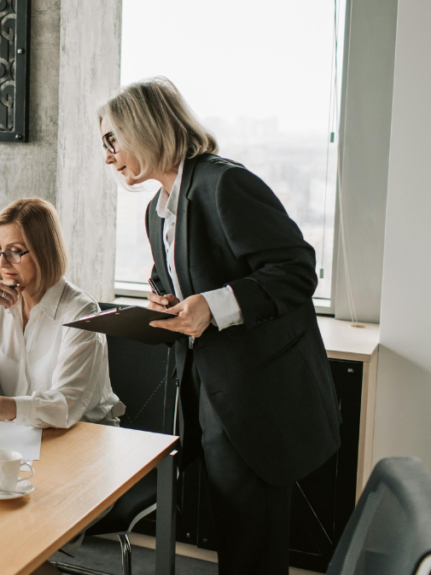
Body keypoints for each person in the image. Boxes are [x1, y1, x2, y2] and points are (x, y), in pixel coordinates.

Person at [98, 77, 340, 574]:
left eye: (111, 140)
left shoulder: (224, 182)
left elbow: (296, 271)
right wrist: (161, 296)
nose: (108, 156)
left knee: (253, 543)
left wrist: (212, 305)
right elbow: (182, 268)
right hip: (207, 392)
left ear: (143, 128)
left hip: (256, 397)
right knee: (235, 531)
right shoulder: (155, 210)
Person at [0, 198, 122, 428]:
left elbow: (65, 404)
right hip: (18, 434)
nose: (3, 263)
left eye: (15, 251)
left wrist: (0, 406)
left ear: (45, 251)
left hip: (81, 437)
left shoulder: (81, 311)